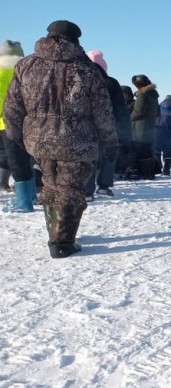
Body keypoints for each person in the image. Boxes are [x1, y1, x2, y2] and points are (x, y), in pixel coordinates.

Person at [2, 20, 118, 258]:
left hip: (38, 140)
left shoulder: (26, 65)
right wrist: (110, 142)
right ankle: (62, 242)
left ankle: (55, 233)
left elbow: (12, 107)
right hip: (77, 141)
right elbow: (102, 111)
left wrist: (17, 137)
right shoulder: (86, 69)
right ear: (76, 40)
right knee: (70, 189)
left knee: (51, 186)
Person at [84, 50, 130, 196]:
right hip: (108, 124)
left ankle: (87, 191)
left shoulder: (80, 79)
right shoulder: (112, 82)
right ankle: (104, 186)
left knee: (88, 156)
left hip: (86, 125)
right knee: (109, 154)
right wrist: (124, 129)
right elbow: (120, 109)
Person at [1, 39, 35, 212]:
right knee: (26, 158)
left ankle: (23, 203)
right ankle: (32, 196)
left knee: (14, 160)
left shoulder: (2, 72)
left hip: (5, 124)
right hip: (28, 123)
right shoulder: (27, 71)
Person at [130, 74, 160, 179]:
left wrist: (128, 119)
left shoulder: (143, 94)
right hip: (150, 126)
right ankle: (149, 173)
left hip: (140, 127)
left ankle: (144, 173)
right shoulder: (154, 95)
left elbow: (138, 111)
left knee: (141, 150)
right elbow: (158, 112)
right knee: (148, 150)